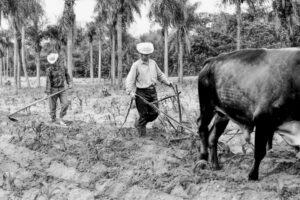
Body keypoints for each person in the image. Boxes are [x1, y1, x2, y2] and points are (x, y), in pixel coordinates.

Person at [125, 42, 172, 136]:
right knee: (144, 114)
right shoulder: (136, 65)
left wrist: (168, 82)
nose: (145, 56)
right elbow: (130, 79)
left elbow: (160, 74)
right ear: (140, 54)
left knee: (155, 112)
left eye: (147, 55)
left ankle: (139, 124)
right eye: (143, 55)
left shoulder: (153, 63)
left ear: (149, 54)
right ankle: (142, 137)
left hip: (152, 91)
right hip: (141, 93)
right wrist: (130, 92)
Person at [45, 53, 72, 126]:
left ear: (57, 60)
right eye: (52, 62)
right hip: (53, 89)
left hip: (62, 89)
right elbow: (48, 81)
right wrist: (47, 93)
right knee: (52, 106)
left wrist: (69, 83)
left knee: (66, 103)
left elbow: (67, 75)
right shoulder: (49, 70)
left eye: (55, 61)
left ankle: (61, 118)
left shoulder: (63, 67)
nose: (54, 63)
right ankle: (53, 119)